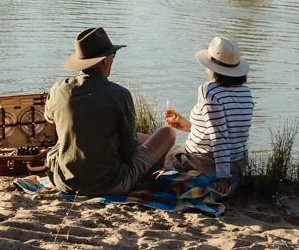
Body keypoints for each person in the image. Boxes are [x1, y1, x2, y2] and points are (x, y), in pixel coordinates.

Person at [44, 26, 175, 196]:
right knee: (167, 133)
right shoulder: (120, 94)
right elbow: (129, 150)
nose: (113, 60)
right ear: (105, 60)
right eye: (113, 56)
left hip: (64, 181)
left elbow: (49, 118)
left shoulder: (58, 90)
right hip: (111, 183)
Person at [164, 35, 255, 189]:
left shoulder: (209, 91)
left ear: (212, 66)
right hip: (237, 164)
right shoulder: (246, 92)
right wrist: (190, 126)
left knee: (161, 146)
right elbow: (228, 130)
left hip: (205, 162)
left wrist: (223, 178)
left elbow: (219, 138)